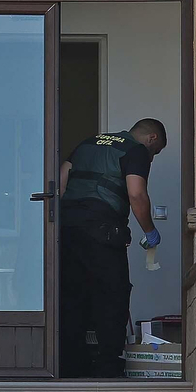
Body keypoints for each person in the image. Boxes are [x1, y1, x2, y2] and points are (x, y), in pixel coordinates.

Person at [56, 118, 167, 378]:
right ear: (151, 138)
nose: (152, 157)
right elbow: (136, 193)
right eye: (156, 151)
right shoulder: (135, 150)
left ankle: (70, 366)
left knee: (72, 296)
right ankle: (107, 366)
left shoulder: (86, 143)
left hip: (67, 228)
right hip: (103, 230)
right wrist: (149, 231)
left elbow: (60, 183)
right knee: (111, 296)